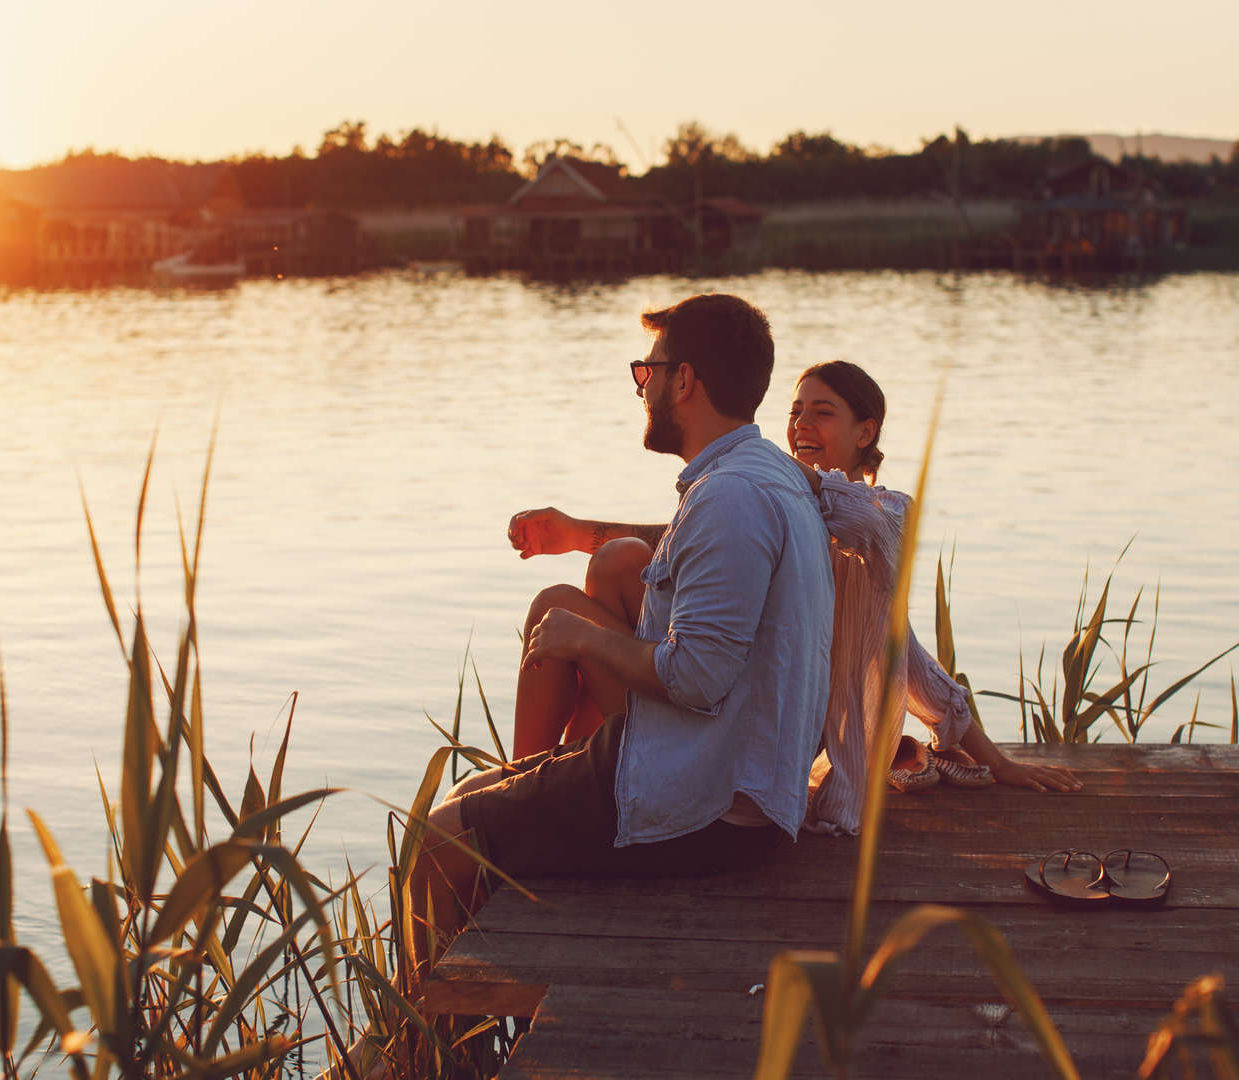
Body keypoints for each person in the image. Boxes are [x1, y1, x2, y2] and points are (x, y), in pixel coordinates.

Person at [404, 293, 834, 974]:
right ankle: (454, 1015)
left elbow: (697, 678)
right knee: (464, 798)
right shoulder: (759, 478)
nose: (643, 388)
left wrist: (586, 640)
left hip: (705, 806)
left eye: (647, 372)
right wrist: (579, 538)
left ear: (684, 380)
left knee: (434, 840)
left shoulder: (730, 497)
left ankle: (419, 1047)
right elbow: (687, 557)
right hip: (717, 773)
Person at [508, 359, 1080, 839]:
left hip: (756, 735)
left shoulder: (879, 520)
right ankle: (552, 777)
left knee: (558, 606)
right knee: (618, 561)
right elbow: (687, 542)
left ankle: (528, 794)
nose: (801, 425)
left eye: (822, 413)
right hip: (704, 694)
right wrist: (576, 533)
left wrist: (997, 761)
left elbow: (908, 655)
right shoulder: (772, 501)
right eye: (795, 412)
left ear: (866, 432)